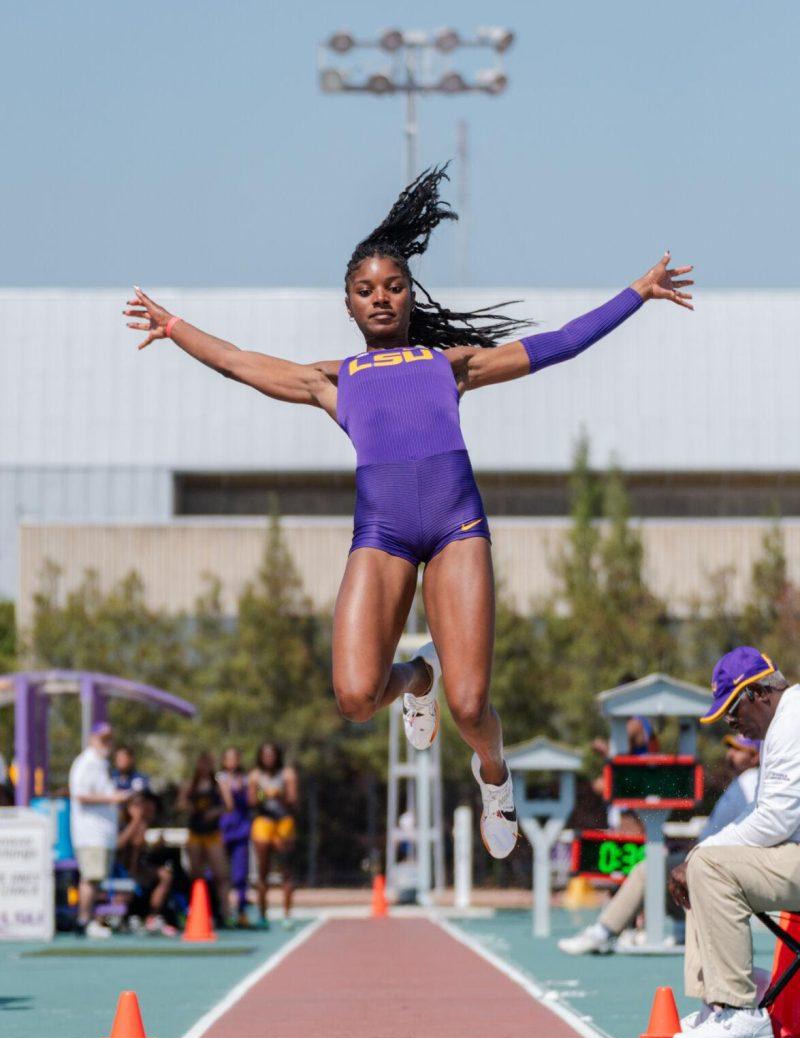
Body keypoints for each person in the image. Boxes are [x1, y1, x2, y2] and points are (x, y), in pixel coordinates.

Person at [123, 166, 693, 860]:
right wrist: (176, 325)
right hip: (384, 536)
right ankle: (416, 675)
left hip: (457, 530)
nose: (382, 298)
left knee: (470, 710)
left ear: (408, 294)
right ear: (350, 306)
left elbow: (557, 345)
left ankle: (494, 776)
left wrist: (637, 292)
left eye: (393, 286)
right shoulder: (334, 381)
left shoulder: (447, 363)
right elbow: (240, 363)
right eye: (366, 291)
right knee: (357, 695)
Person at [669, 647, 800, 1038]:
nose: (731, 723)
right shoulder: (786, 719)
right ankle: (721, 1001)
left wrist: (700, 854)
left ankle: (740, 1010)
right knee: (704, 864)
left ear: (758, 693)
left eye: (732, 709)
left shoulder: (792, 721)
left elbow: (777, 821)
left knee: (706, 865)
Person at [560, 733, 760, 955]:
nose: (730, 754)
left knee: (650, 869)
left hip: (719, 864)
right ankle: (682, 927)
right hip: (711, 859)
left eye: (739, 749)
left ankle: (603, 931)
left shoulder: (752, 780)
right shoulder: (746, 782)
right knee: (668, 868)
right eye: (730, 748)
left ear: (756, 756)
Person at [68, 721, 133, 938]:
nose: (107, 743)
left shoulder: (101, 764)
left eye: (109, 739)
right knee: (91, 876)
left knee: (97, 877)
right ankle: (84, 920)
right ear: (91, 739)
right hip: (90, 832)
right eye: (102, 739)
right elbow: (80, 794)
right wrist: (112, 798)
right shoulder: (86, 763)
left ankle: (90, 919)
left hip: (103, 833)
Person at [248, 743, 298, 929]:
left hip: (283, 823)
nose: (269, 757)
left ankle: (287, 914)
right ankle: (262, 914)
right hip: (263, 822)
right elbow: (251, 800)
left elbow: (293, 800)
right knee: (263, 871)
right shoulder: (255, 775)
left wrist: (280, 795)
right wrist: (263, 795)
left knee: (286, 870)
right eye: (265, 754)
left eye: (272, 754)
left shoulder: (287, 774)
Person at [117, 791, 178, 935]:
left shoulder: (145, 823)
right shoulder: (121, 823)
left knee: (166, 875)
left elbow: (143, 851)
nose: (139, 809)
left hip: (139, 869)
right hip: (120, 870)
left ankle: (153, 916)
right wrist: (135, 822)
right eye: (135, 805)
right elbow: (120, 845)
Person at [178, 751, 229, 923]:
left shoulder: (218, 784)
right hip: (195, 833)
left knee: (221, 874)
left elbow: (228, 805)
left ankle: (225, 912)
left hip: (212, 833)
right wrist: (189, 806)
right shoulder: (191, 784)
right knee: (196, 874)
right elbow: (180, 803)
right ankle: (196, 910)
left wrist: (214, 812)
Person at [218, 746, 252, 927]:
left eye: (235, 758)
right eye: (229, 758)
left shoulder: (247, 779)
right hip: (223, 829)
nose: (232, 762)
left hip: (241, 830)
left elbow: (258, 798)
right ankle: (220, 911)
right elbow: (226, 804)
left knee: (240, 874)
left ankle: (241, 911)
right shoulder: (218, 779)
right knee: (218, 872)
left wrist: (257, 791)